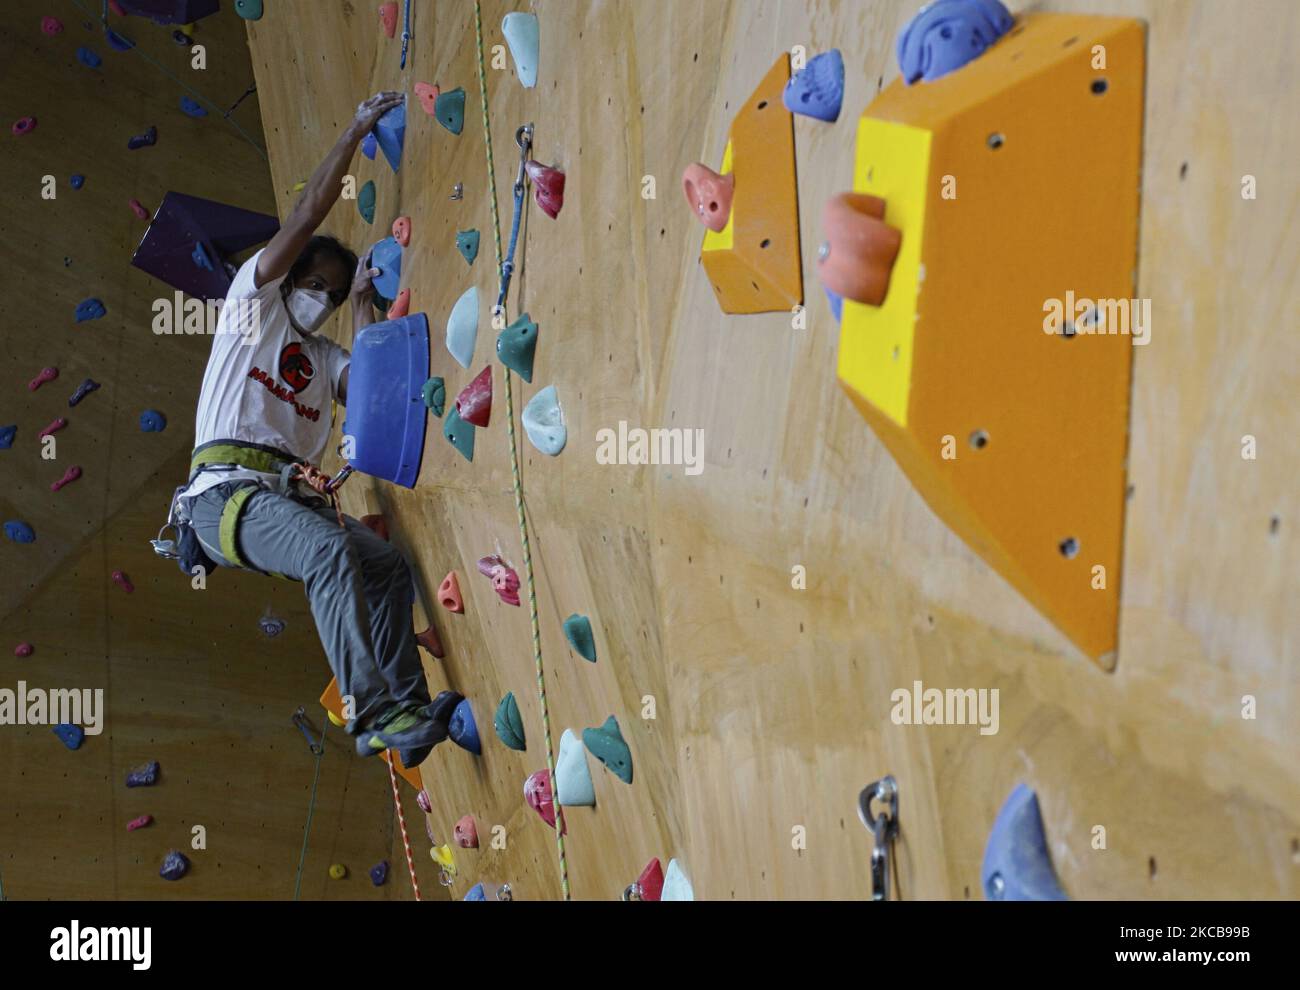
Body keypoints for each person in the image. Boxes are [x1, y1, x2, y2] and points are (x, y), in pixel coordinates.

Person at [176, 91, 461, 763]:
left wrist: (362, 303)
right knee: (326, 554)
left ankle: (407, 708)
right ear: (289, 276)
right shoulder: (253, 309)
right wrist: (358, 125)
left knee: (386, 568)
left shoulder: (322, 356)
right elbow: (307, 214)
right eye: (319, 285)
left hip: (279, 496)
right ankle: (372, 714)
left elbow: (367, 386)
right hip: (222, 497)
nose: (323, 300)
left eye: (333, 295)